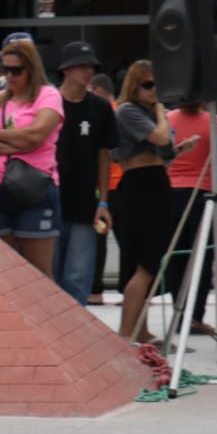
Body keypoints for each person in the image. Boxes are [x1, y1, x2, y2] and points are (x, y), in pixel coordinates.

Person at [0, 39, 64, 277]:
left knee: (38, 272)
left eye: (16, 70)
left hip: (35, 186)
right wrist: (18, 143)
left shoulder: (48, 95)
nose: (9, 76)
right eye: (4, 69)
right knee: (1, 272)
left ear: (31, 69)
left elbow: (37, 136)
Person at [110, 60, 177, 344]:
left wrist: (179, 149)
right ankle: (127, 331)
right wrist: (162, 110)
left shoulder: (144, 114)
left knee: (151, 262)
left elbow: (164, 152)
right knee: (145, 263)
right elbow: (161, 136)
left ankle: (141, 327)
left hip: (154, 180)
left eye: (157, 85)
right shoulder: (128, 111)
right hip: (140, 186)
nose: (154, 91)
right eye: (148, 85)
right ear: (134, 87)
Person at [52, 42, 118, 305]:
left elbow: (105, 155)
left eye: (91, 66)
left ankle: (73, 336)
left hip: (85, 202)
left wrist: (103, 201)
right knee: (48, 274)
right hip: (50, 198)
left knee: (78, 275)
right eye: (81, 65)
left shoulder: (101, 107)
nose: (87, 71)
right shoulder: (48, 102)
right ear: (66, 69)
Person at [162, 101, 217, 335]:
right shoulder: (216, 122)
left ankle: (180, 312)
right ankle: (195, 317)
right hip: (202, 193)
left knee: (176, 255)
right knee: (202, 257)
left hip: (171, 193)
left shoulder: (166, 119)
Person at [87, 71, 120, 304]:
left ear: (98, 91)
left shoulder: (104, 112)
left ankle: (96, 289)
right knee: (126, 240)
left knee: (99, 237)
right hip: (121, 184)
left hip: (106, 187)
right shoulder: (124, 111)